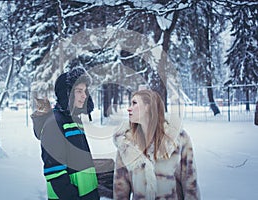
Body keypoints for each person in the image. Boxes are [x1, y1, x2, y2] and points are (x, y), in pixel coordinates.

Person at [113, 89, 200, 200]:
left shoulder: (177, 138)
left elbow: (190, 184)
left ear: (148, 106)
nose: (129, 108)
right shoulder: (126, 142)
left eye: (134, 103)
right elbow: (120, 188)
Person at [31, 67, 100, 200]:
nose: (84, 95)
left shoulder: (74, 119)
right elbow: (55, 173)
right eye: (79, 91)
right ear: (66, 93)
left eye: (85, 91)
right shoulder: (54, 124)